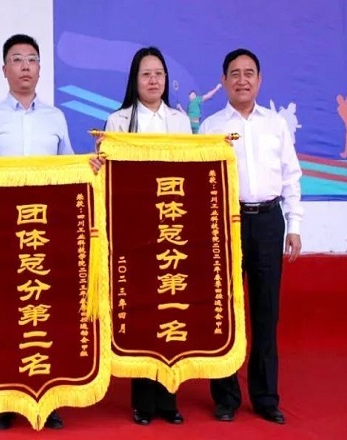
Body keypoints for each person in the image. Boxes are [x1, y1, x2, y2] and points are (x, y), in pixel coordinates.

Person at [0, 34, 97, 431]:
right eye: (17, 59)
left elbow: (69, 169)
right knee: (5, 314)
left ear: (40, 69)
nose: (25, 66)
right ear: (4, 69)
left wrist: (90, 167)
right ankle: (2, 399)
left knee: (47, 314)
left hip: (45, 236)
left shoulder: (55, 118)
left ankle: (49, 396)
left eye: (31, 60)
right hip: (1, 236)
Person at [200, 48, 302, 425]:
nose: (242, 80)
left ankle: (265, 397)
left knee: (266, 311)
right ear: (224, 81)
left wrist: (294, 225)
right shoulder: (210, 127)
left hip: (269, 221)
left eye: (249, 73)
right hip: (227, 223)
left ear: (259, 80)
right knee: (224, 312)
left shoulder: (276, 124)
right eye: (235, 73)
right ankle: (225, 397)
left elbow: (291, 176)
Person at [104, 46, 190, 426]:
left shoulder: (180, 121)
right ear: (134, 80)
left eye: (159, 74)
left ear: (166, 80)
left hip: (172, 228)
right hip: (134, 231)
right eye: (146, 74)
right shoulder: (118, 121)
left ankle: (169, 400)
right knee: (141, 315)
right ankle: (142, 401)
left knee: (171, 311)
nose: (153, 80)